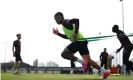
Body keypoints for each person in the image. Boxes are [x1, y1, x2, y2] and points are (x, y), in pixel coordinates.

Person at [53, 12, 110, 79]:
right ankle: (105, 72)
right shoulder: (64, 26)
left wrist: (76, 33)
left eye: (56, 18)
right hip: (82, 42)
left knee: (64, 54)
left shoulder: (65, 22)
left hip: (78, 42)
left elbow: (77, 20)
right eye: (55, 19)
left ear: (61, 17)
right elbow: (67, 37)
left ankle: (83, 62)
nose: (56, 20)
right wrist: (58, 33)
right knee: (89, 61)